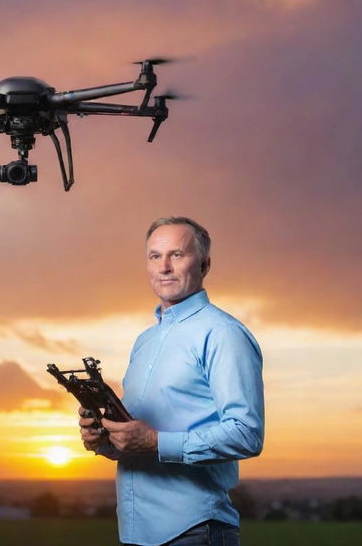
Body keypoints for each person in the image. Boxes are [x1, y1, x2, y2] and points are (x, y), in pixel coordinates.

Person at [79, 216, 264, 546]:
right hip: (137, 532)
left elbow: (247, 434)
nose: (164, 266)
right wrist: (104, 438)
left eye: (176, 254)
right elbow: (134, 442)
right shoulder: (144, 342)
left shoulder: (223, 334)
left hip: (195, 531)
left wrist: (155, 442)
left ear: (204, 264)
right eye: (154, 256)